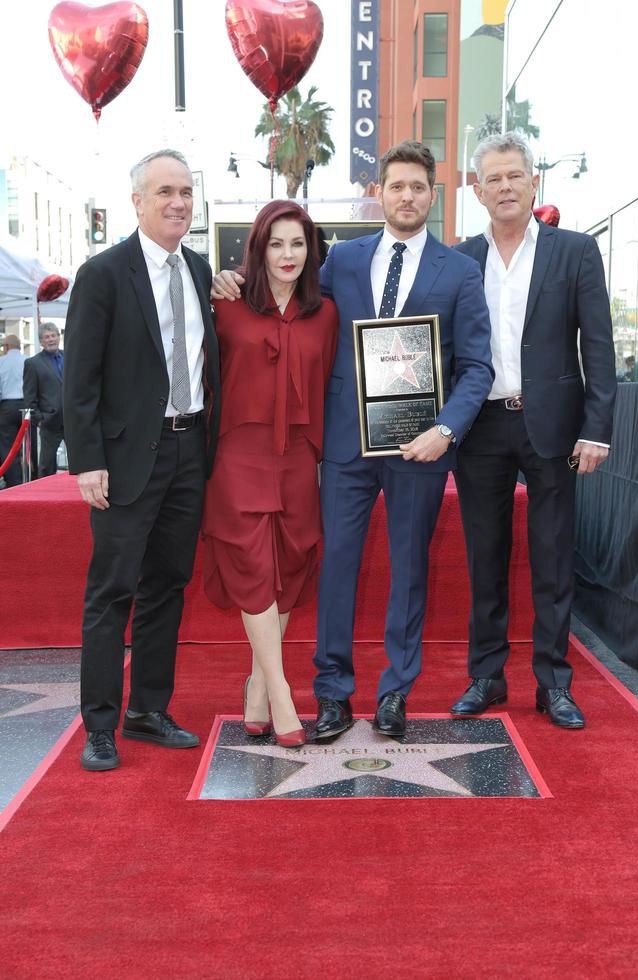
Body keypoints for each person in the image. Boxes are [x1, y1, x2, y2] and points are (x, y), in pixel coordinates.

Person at [213, 141, 493, 739]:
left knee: (409, 568)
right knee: (336, 564)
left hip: (421, 446)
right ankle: (333, 693)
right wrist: (229, 282)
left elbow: (476, 367)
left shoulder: (462, 273)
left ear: (432, 194)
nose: (407, 196)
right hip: (343, 444)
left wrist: (445, 429)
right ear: (381, 193)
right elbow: (285, 299)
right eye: (397, 186)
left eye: (418, 186)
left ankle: (395, 691)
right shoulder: (339, 261)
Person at [451, 132, 617, 729]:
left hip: (554, 427)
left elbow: (598, 346)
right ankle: (486, 678)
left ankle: (554, 684)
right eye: (492, 178)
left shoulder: (574, 252)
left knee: (552, 558)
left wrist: (597, 427)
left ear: (533, 181)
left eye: (514, 176)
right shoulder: (460, 259)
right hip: (482, 428)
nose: (504, 187)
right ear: (476, 189)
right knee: (485, 559)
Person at [63, 149, 220, 772]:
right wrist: (87, 461)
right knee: (112, 592)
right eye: (164, 192)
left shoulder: (202, 271)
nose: (178, 202)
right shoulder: (103, 273)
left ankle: (148, 710)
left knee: (167, 587)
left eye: (185, 191)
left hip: (188, 451)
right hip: (126, 460)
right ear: (137, 201)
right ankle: (99, 725)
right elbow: (81, 378)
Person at [203, 200, 338, 748]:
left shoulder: (325, 313)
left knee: (290, 563)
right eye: (276, 244)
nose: (288, 255)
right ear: (257, 249)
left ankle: (256, 686)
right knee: (254, 563)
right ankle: (282, 692)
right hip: (238, 453)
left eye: (298, 244)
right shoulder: (225, 304)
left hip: (299, 459)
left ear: (312, 251)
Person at [22, 323, 64, 478]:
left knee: (79, 463)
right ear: (41, 342)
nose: (51, 339)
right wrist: (39, 419)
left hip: (73, 420)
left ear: (59, 337)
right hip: (49, 421)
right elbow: (29, 395)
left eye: (54, 335)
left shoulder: (70, 357)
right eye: (47, 337)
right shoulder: (33, 363)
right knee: (47, 465)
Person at [0, 334, 26, 487]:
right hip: (26, 406)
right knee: (28, 444)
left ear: (6, 347)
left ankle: (14, 482)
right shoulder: (28, 360)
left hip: (7, 407)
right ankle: (31, 478)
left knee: (7, 446)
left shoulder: (1, 362)